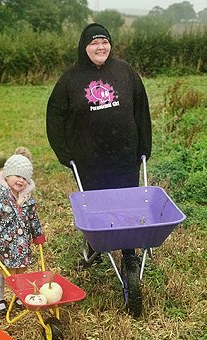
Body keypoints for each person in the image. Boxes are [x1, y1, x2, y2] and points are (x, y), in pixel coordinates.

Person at [46, 23, 152, 269]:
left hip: (125, 156)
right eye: (94, 43)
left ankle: (129, 253)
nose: (100, 47)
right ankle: (96, 244)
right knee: (96, 206)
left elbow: (141, 109)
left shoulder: (125, 72)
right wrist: (64, 153)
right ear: (84, 47)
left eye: (104, 42)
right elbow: (55, 115)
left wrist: (145, 146)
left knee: (126, 204)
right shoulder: (70, 79)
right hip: (88, 160)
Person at [0, 148, 45, 317]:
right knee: (1, 274)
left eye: (24, 178)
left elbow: (32, 219)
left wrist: (37, 234)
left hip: (21, 246)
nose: (20, 181)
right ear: (7, 175)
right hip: (2, 246)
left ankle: (18, 296)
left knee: (20, 273)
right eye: (17, 176)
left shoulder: (28, 200)